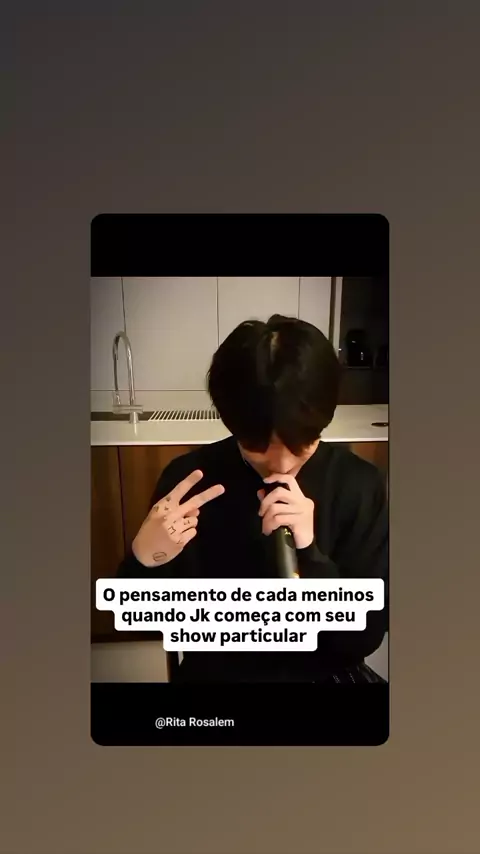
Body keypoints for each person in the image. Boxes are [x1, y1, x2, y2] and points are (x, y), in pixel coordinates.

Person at [118, 315, 388, 683]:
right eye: (258, 447)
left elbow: (362, 639)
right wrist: (144, 558)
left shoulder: (359, 485)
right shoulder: (190, 481)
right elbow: (144, 619)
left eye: (300, 445)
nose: (282, 465)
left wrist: (309, 555)